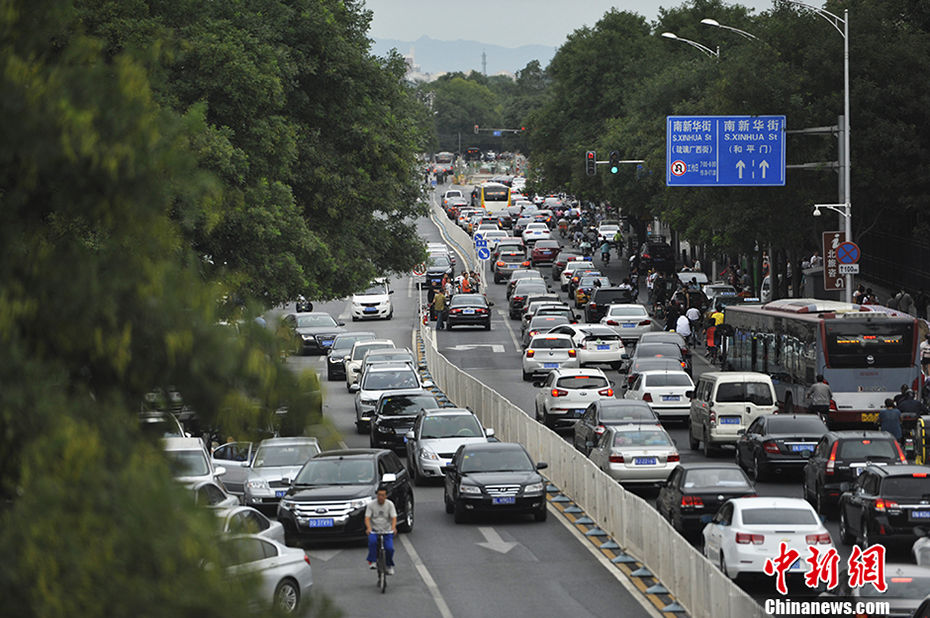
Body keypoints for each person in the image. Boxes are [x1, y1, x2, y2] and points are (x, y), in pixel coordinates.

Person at [365, 487, 397, 574]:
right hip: (375, 530)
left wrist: (393, 528)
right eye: (379, 495)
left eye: (383, 495)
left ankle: (388, 566)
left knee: (389, 548)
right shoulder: (371, 505)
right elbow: (367, 518)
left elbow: (393, 518)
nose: (380, 497)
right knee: (372, 542)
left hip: (387, 530)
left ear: (386, 496)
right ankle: (373, 561)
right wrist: (369, 528)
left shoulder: (390, 504)